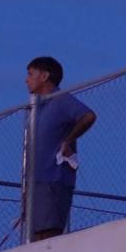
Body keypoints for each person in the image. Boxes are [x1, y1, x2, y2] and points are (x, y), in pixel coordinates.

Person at [24, 55, 95, 241]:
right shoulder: (37, 107)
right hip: (35, 181)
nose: (26, 79)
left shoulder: (61, 99)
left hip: (53, 179)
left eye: (31, 74)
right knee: (34, 234)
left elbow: (88, 116)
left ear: (45, 76)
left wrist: (68, 139)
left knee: (48, 232)